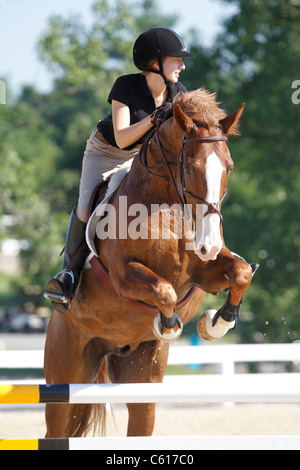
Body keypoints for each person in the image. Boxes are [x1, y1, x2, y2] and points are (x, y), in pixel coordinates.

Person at [44, 27, 194, 313]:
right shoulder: (125, 86)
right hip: (105, 153)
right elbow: (123, 136)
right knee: (87, 208)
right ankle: (68, 275)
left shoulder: (179, 92)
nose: (182, 65)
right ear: (155, 63)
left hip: (144, 156)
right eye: (176, 59)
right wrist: (155, 117)